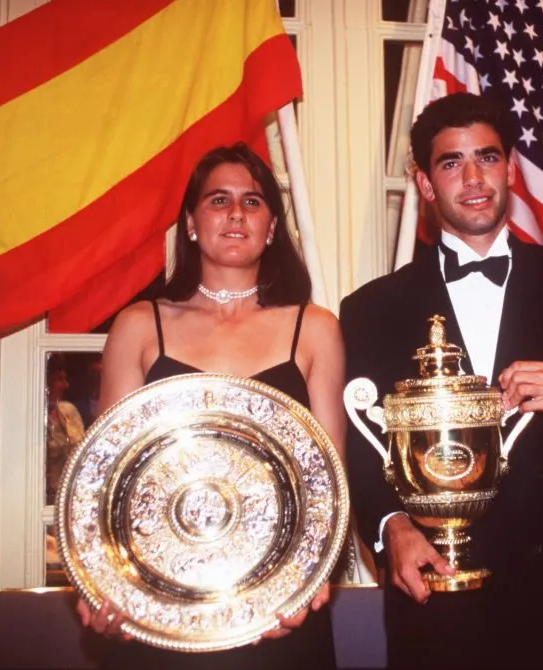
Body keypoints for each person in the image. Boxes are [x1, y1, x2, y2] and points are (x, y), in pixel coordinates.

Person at [340, 92, 543, 669]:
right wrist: (392, 529)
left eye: (487, 157)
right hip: (437, 593)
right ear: (426, 184)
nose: (474, 177)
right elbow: (360, 449)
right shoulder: (371, 308)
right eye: (451, 163)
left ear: (510, 168)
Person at [77, 143, 345, 669]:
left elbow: (329, 485)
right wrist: (102, 583)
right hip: (164, 605)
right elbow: (105, 479)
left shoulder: (314, 328)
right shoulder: (138, 325)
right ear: (192, 223)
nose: (236, 214)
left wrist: (308, 582)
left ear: (271, 227)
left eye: (252, 202)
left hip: (279, 611)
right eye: (218, 200)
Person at [45, 353, 86, 506]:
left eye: (65, 379)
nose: (66, 385)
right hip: (40, 500)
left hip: (70, 498)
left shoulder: (69, 411)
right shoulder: (32, 420)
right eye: (59, 380)